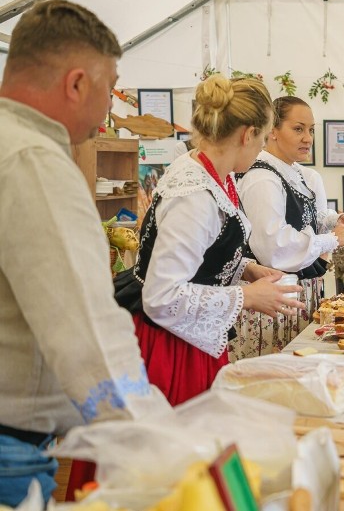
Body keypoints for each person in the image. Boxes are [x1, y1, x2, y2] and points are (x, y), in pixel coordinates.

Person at [0, 0, 169, 506]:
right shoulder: (33, 162)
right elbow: (88, 333)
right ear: (76, 84)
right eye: (108, 87)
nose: (108, 111)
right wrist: (168, 449)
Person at [110, 75, 303, 404]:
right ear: (247, 134)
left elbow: (200, 248)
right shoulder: (194, 195)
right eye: (262, 141)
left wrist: (243, 268)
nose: (260, 152)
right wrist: (245, 298)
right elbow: (161, 296)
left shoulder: (209, 171)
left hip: (186, 335)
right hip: (168, 346)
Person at [233, 96, 344, 358]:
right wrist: (332, 239)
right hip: (271, 303)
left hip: (294, 296)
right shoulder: (261, 178)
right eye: (298, 128)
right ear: (273, 131)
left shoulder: (296, 173)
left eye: (311, 130)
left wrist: (333, 220)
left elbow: (303, 217)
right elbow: (275, 247)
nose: (308, 138)